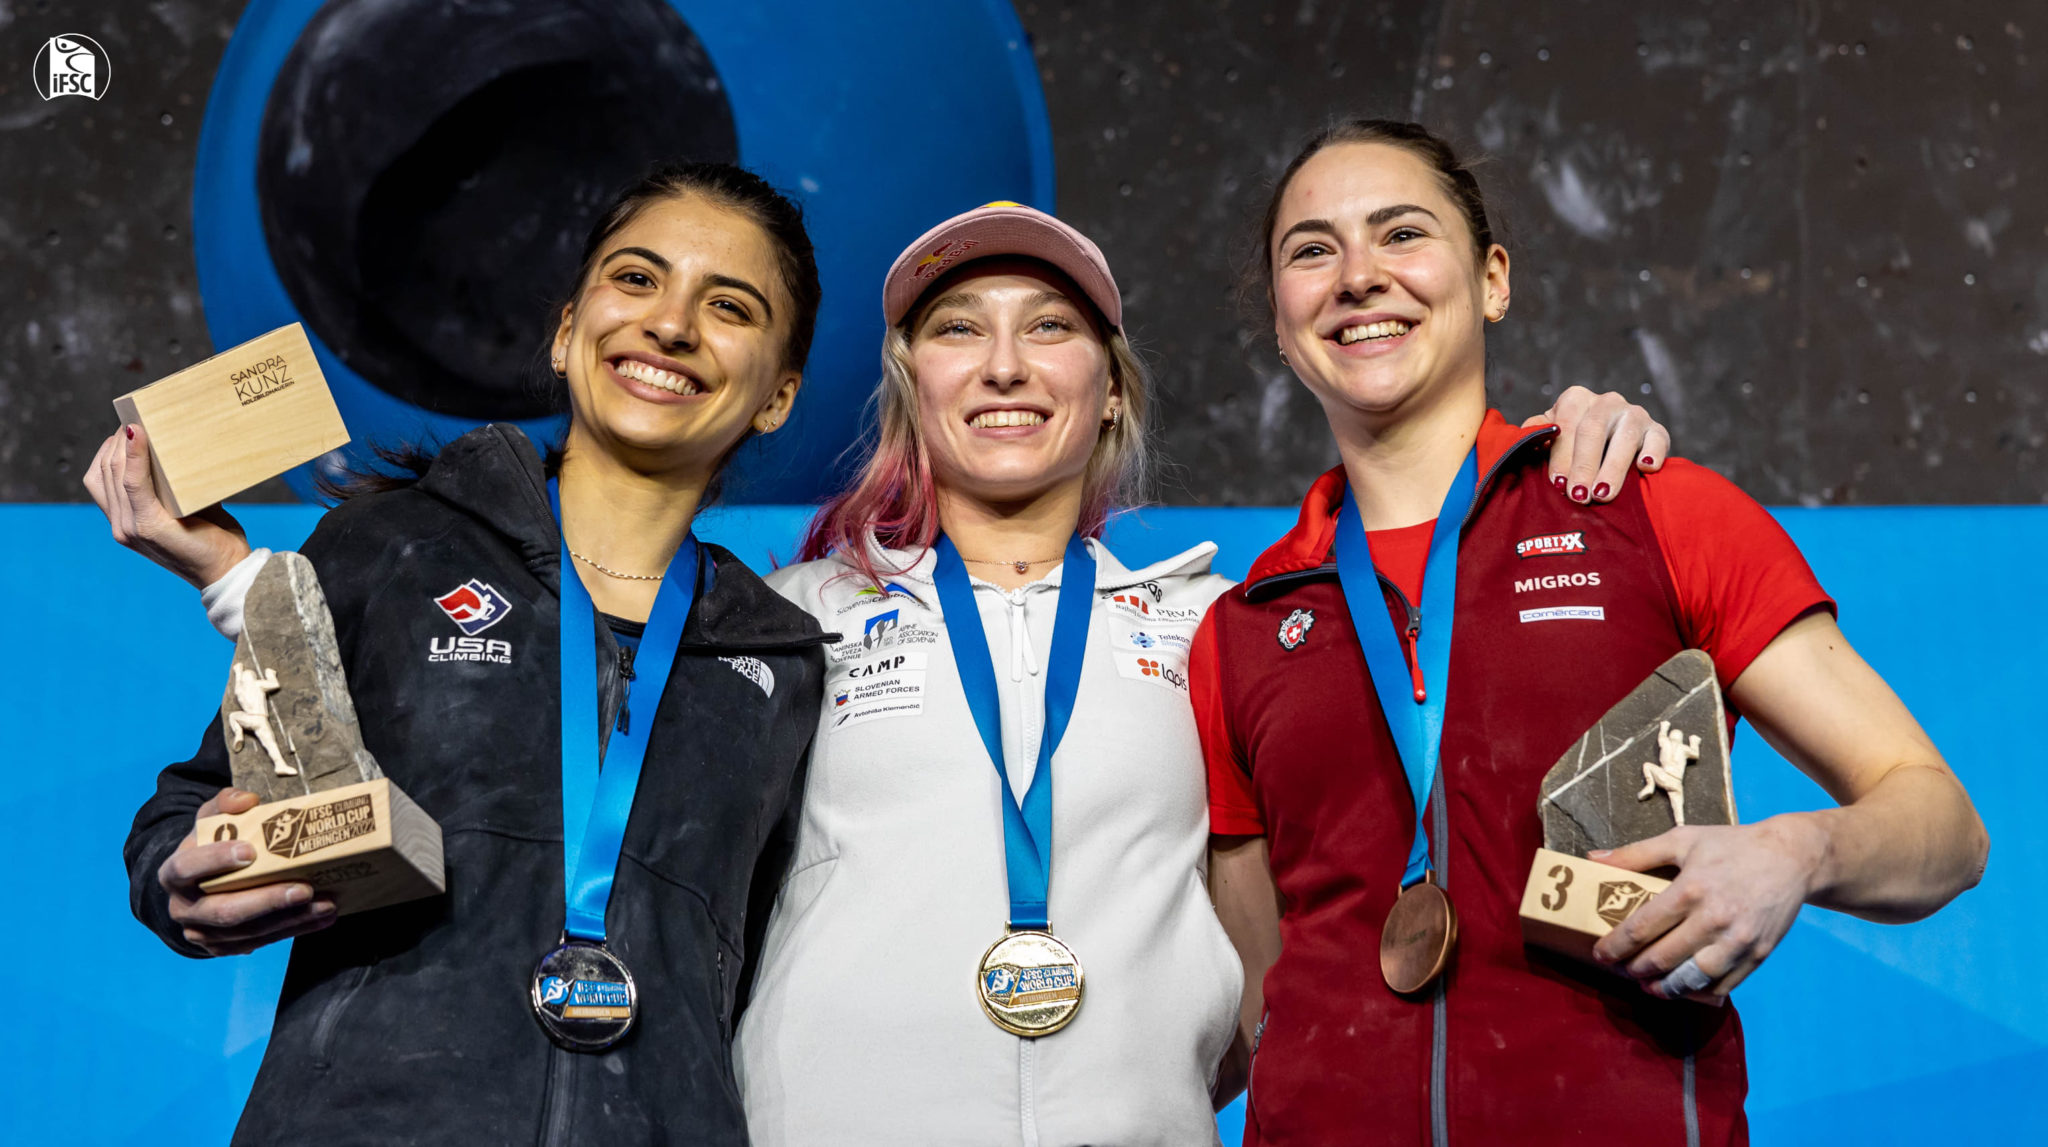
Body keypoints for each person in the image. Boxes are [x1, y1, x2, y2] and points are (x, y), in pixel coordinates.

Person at [730, 201, 1670, 1145]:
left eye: (1050, 326)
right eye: (959, 328)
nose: (1004, 363)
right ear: (912, 386)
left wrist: (1560, 452)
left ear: (1109, 390)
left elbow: (1297, 957)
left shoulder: (1223, 623)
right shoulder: (793, 617)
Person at [1196, 119, 1990, 1146]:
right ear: (1277, 318)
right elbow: (1255, 1009)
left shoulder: (1654, 512)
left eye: (1400, 233)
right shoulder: (1242, 625)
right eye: (1310, 250)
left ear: (1490, 280)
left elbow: (1942, 827)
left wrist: (1795, 852)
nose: (1356, 276)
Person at [89, 161, 830, 1146]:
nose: (670, 324)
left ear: (777, 393)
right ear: (567, 331)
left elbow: (770, 969)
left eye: (728, 305)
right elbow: (199, 807)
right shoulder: (388, 548)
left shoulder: (781, 656)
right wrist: (185, 879)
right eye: (637, 278)